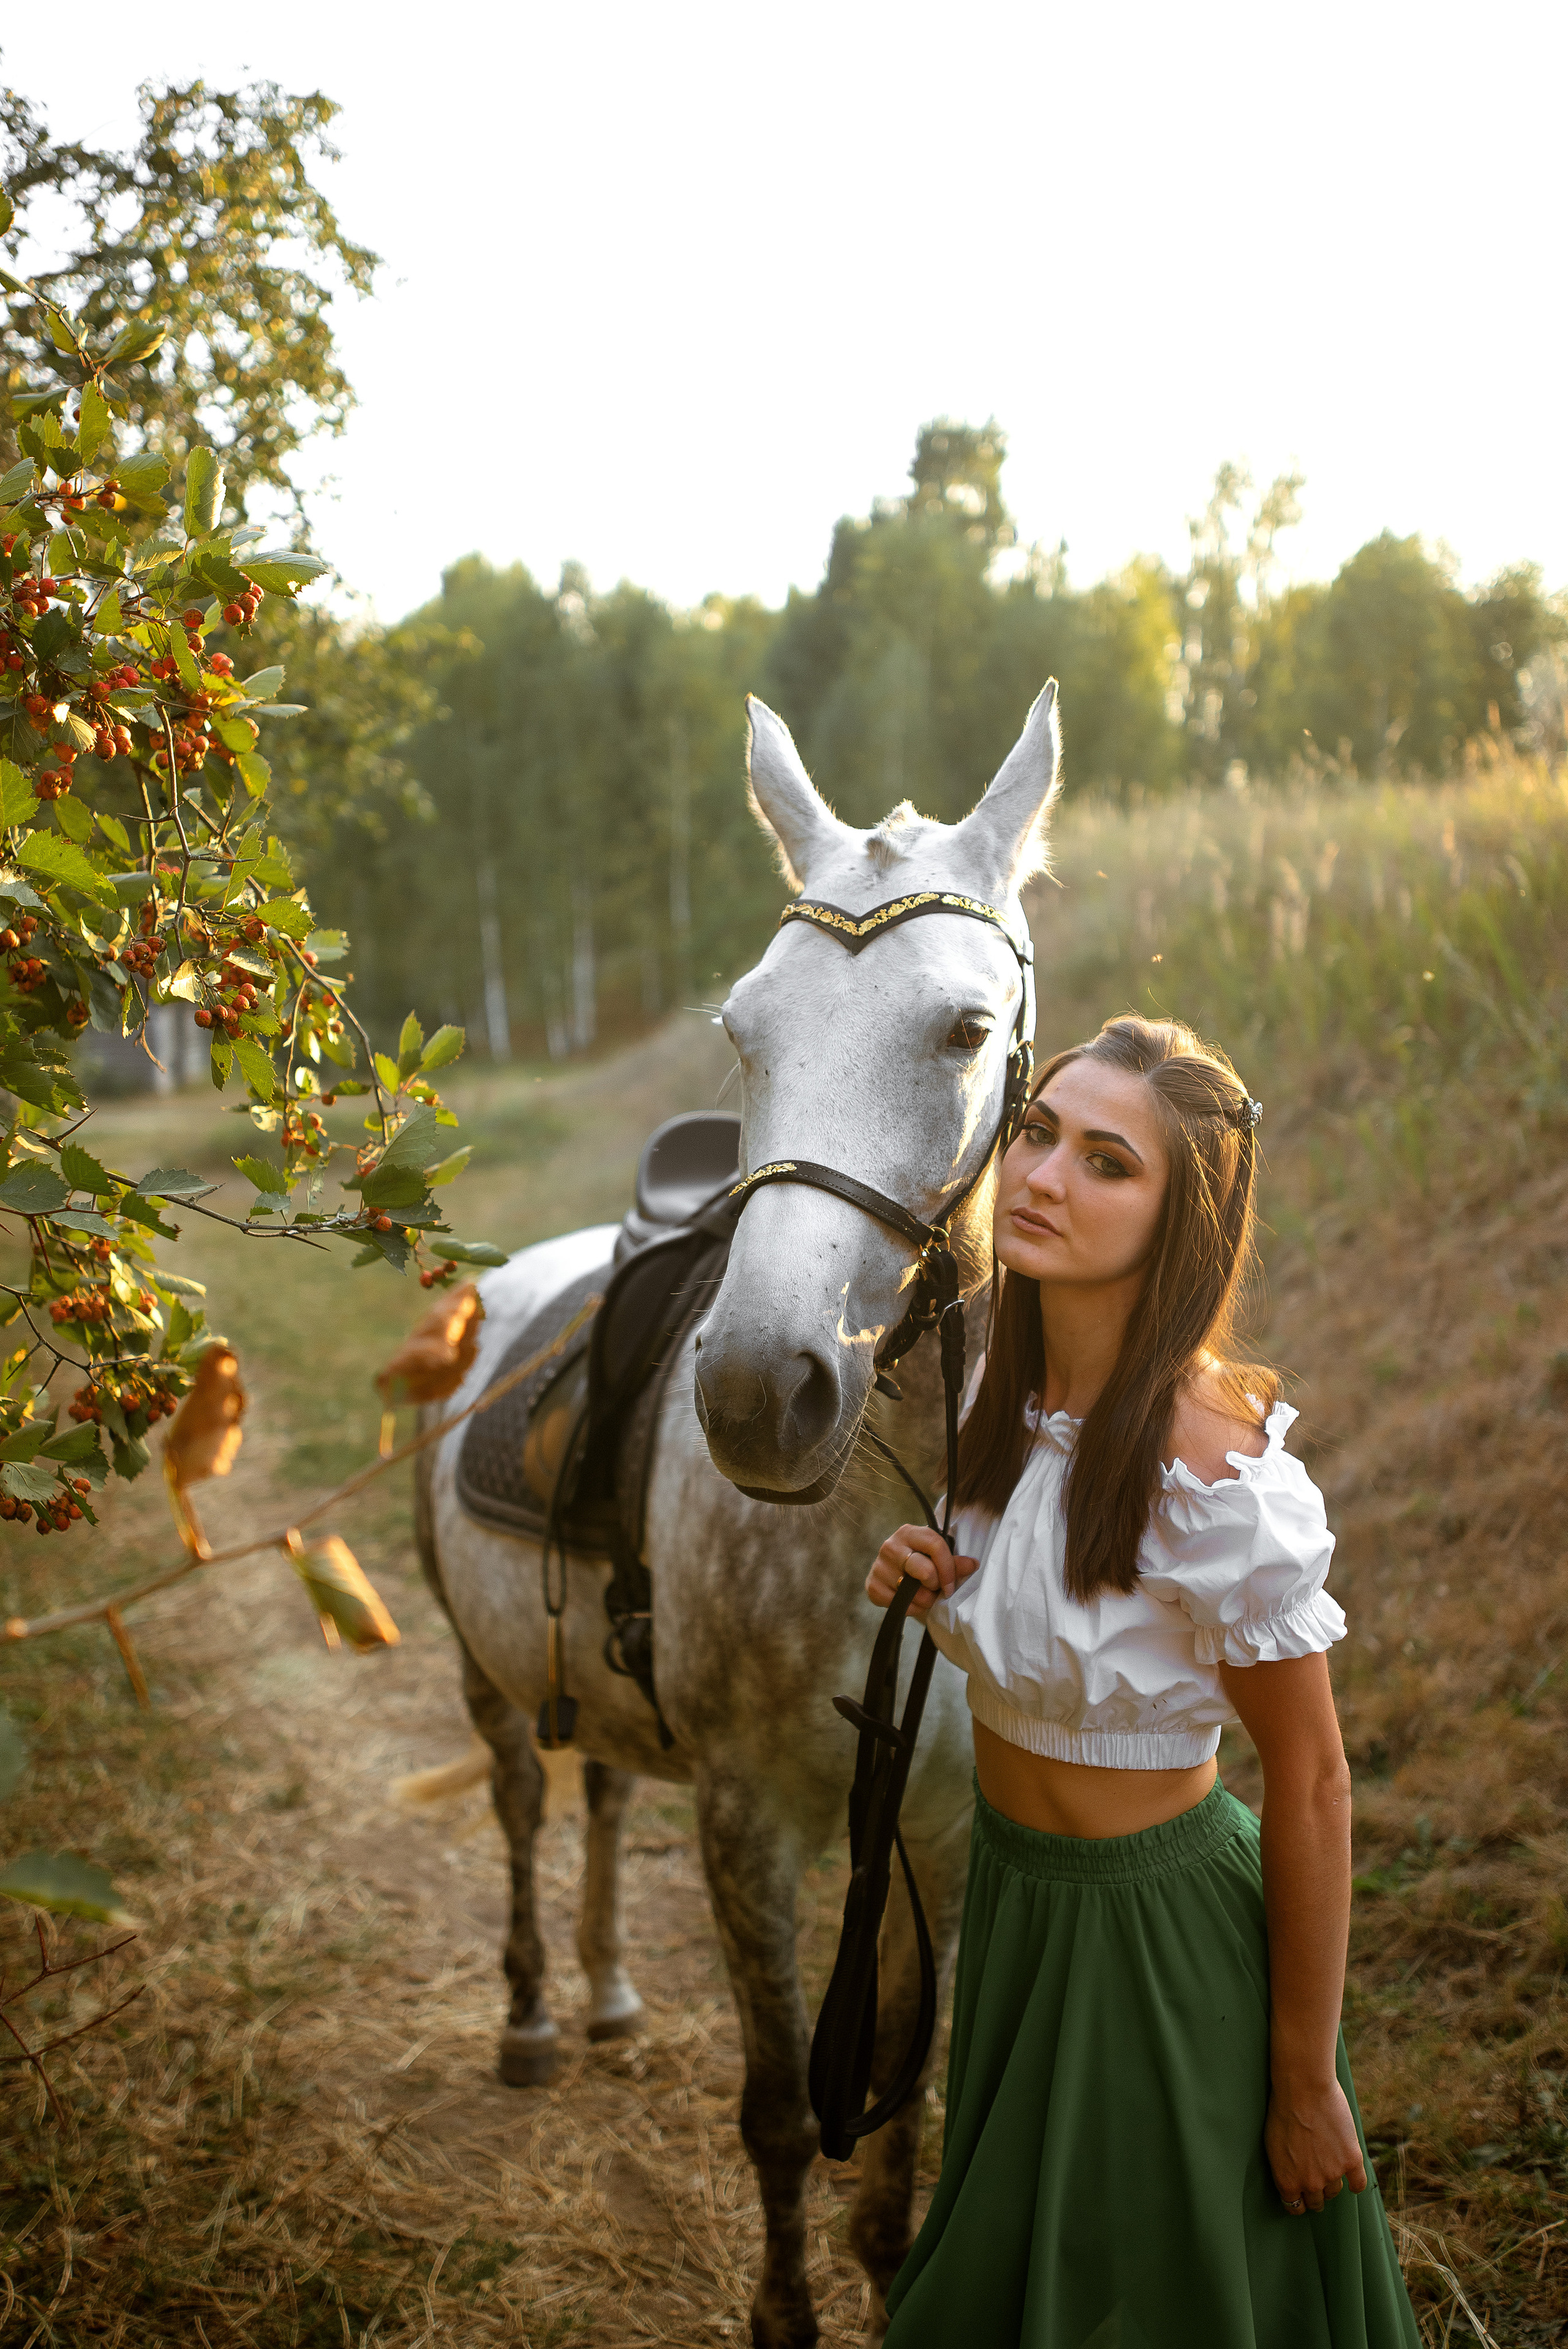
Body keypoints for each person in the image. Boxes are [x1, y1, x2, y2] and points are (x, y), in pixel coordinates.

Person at [870, 1016, 1419, 2349]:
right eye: (1037, 1133)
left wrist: (1301, 2080)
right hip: (1017, 1908)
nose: (1044, 1178)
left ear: (1180, 1219)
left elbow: (1312, 1777)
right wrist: (942, 1574)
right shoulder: (1000, 1391)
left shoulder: (1211, 1466)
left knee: (1169, 2294)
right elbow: (1061, 1619)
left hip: (1160, 1937)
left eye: (1106, 1162)